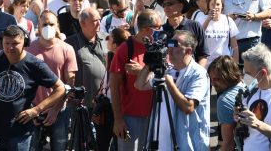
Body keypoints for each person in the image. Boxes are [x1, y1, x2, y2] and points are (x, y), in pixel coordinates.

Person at [0, 25, 65, 150]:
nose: (10, 47)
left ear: (25, 42)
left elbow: (60, 88)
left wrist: (37, 110)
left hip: (20, 133)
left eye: (15, 43)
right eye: (7, 43)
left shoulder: (35, 64)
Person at [135, 31, 210, 151]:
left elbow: (188, 107)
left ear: (188, 51)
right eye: (169, 45)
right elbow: (139, 85)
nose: (169, 50)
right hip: (163, 143)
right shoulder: (168, 70)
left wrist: (169, 82)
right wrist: (150, 64)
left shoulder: (198, 74)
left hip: (187, 143)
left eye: (175, 46)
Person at [26, 11, 77, 151]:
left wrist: (55, 109)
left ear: (57, 26)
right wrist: (32, 110)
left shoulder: (67, 49)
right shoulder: (28, 49)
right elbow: (24, 81)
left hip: (59, 111)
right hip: (34, 109)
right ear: (39, 26)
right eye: (45, 24)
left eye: (51, 24)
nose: (48, 27)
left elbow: (69, 84)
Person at [109, 9, 159, 151]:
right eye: (157, 27)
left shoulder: (158, 47)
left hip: (156, 114)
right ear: (146, 29)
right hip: (131, 117)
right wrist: (118, 119)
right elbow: (114, 85)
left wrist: (140, 72)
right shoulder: (125, 49)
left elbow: (166, 75)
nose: (161, 30)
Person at [219, 0, 271, 66]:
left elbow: (269, 12)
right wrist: (226, 18)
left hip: (251, 42)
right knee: (229, 74)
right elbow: (215, 8)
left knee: (251, 74)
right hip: (228, 41)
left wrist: (254, 16)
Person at [65, 8, 107, 109]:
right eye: (94, 21)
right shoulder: (70, 43)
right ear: (83, 23)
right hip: (80, 105)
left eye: (99, 20)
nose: (99, 23)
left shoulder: (107, 39)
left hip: (102, 103)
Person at [156, 0, 209, 66]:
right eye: (164, 5)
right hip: (167, 74)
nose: (166, 7)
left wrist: (197, 74)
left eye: (170, 4)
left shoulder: (195, 26)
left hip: (190, 74)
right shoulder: (161, 29)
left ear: (181, 6)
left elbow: (203, 55)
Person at [208, 56, 244, 151]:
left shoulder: (224, 100)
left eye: (216, 79)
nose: (212, 83)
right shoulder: (247, 83)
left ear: (228, 76)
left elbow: (228, 144)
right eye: (211, 79)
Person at [200, 0, 239, 67]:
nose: (215, 7)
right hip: (206, 63)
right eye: (212, 4)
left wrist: (235, 64)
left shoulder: (228, 20)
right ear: (208, 6)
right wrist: (208, 19)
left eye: (218, 4)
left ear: (222, 6)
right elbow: (198, 35)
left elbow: (235, 46)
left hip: (223, 64)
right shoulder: (202, 19)